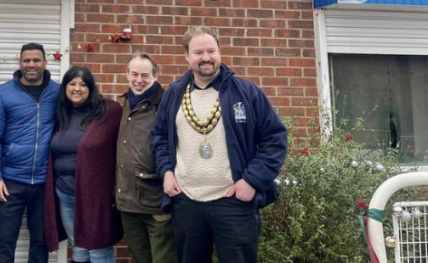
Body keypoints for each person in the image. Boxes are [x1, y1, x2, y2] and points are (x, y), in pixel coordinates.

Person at [151, 26, 288, 263]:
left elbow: (275, 140)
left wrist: (252, 181)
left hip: (233, 201)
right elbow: (160, 137)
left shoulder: (247, 93)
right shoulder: (173, 94)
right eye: (198, 52)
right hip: (187, 201)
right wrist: (166, 172)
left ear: (219, 52)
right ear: (186, 56)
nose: (206, 58)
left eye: (211, 51)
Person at [0, 43, 59, 263]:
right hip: (11, 182)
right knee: (5, 241)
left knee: (40, 242)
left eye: (36, 60)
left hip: (45, 182)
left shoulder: (58, 92)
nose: (31, 65)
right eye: (27, 60)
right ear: (20, 63)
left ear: (45, 62)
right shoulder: (2, 94)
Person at [44, 66, 123, 263]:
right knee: (78, 247)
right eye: (72, 84)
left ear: (91, 88)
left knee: (97, 249)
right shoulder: (61, 114)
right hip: (65, 194)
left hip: (95, 197)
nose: (77, 88)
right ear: (65, 88)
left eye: (83, 84)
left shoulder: (108, 112)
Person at [115, 54, 177, 263]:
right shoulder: (125, 104)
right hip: (128, 203)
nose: (138, 80)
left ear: (155, 76)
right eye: (134, 74)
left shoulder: (165, 105)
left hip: (156, 203)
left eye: (144, 75)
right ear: (127, 75)